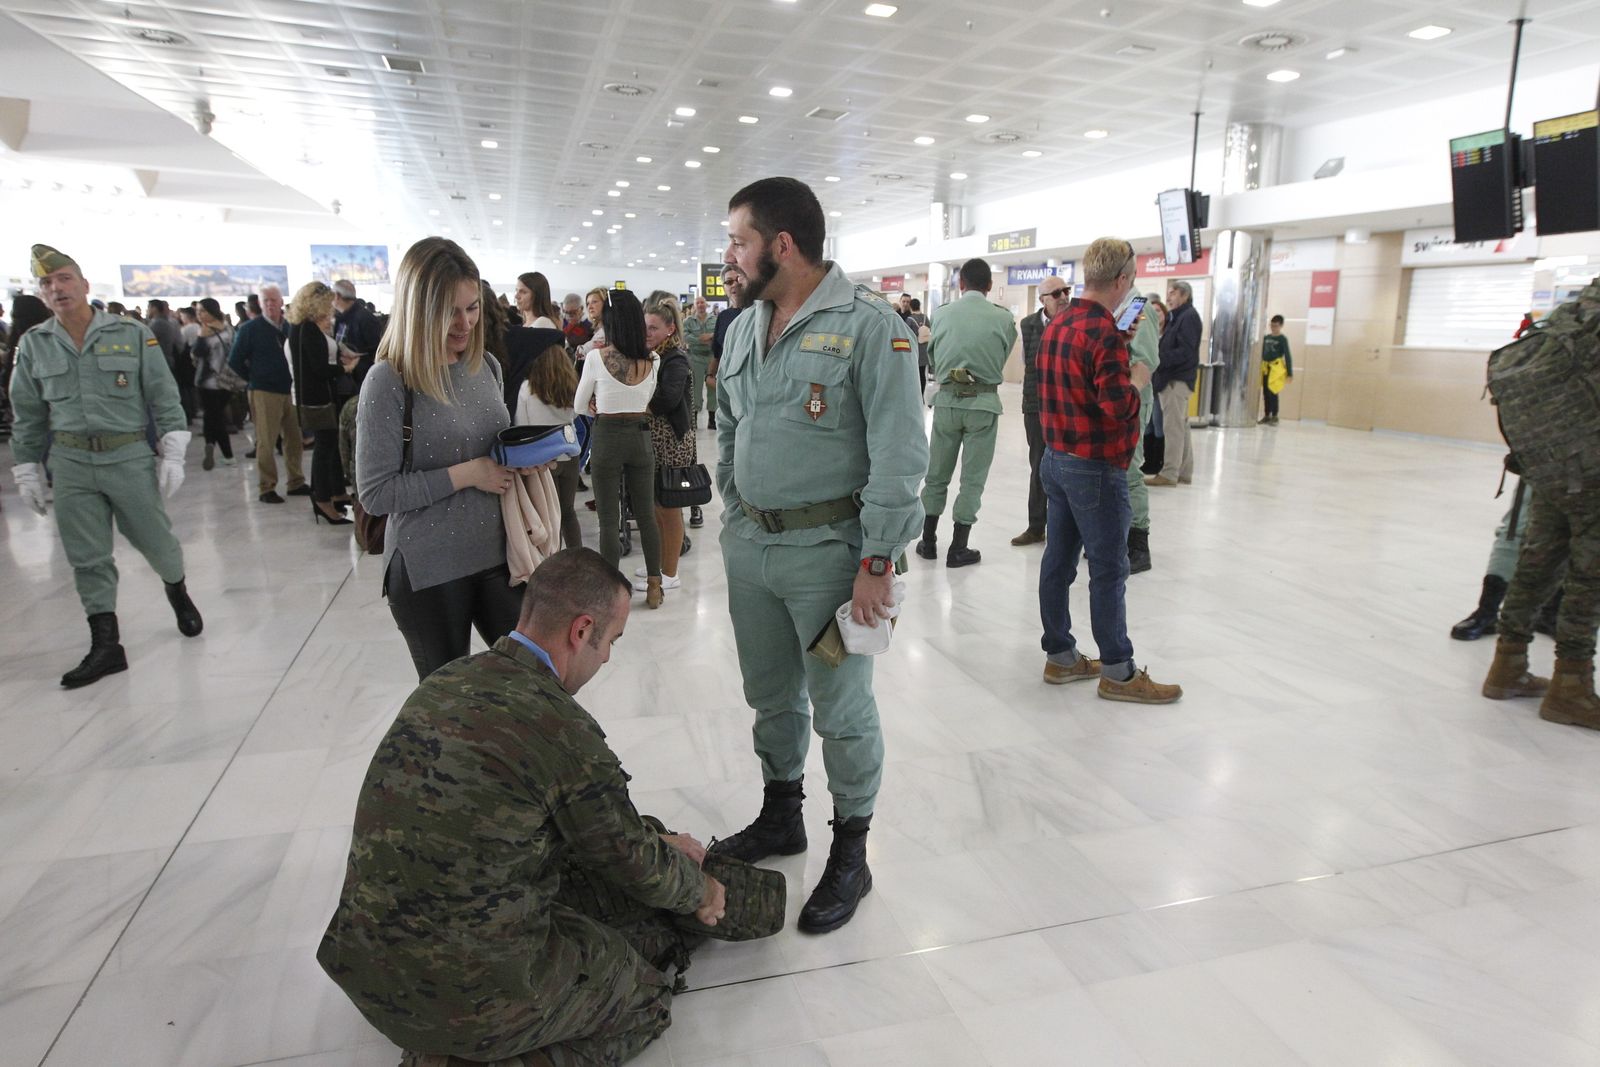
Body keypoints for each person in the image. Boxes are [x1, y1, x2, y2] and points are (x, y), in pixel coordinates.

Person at [318, 548, 726, 1065]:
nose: (607, 660)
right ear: (581, 631)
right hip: (460, 997)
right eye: (611, 642)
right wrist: (701, 891)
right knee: (643, 998)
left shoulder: (445, 683)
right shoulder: (563, 729)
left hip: (366, 973)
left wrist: (649, 838)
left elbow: (528, 818)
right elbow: (631, 863)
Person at [709, 176, 928, 934]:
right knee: (770, 693)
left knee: (842, 709)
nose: (728, 256)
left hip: (831, 556)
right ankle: (781, 813)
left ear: (783, 244)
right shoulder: (743, 327)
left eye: (738, 240)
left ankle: (852, 850)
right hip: (754, 551)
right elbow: (729, 425)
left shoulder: (871, 326)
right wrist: (737, 512)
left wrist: (878, 561)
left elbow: (901, 451)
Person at [9, 244, 202, 688]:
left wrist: (172, 445)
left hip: (128, 456)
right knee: (87, 556)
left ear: (83, 285)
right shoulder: (35, 345)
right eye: (47, 283)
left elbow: (162, 390)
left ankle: (177, 590)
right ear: (41, 294)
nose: (57, 289)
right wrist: (26, 466)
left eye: (64, 279)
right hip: (71, 461)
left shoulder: (130, 333)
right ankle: (106, 645)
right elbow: (29, 413)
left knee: (156, 541)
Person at [355, 236, 523, 681]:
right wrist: (468, 474)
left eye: (471, 308)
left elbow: (488, 444)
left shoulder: (485, 365)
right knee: (451, 708)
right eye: (449, 310)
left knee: (533, 683)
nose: (464, 323)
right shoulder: (388, 380)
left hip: (499, 557)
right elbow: (376, 493)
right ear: (417, 309)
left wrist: (526, 455)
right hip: (428, 567)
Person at [1035, 237, 1181, 704]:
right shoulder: (1103, 335)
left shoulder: (1060, 323)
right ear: (1121, 281)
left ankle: (1060, 656)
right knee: (1109, 569)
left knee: (1057, 561)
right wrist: (1137, 377)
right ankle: (1118, 670)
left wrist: (1118, 344)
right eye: (1132, 279)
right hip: (1095, 468)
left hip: (1055, 460)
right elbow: (1117, 407)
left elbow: (1075, 378)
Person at [1481, 279, 1600, 730]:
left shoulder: (1581, 306)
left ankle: (1506, 666)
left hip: (1552, 464)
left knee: (1538, 561)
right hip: (1594, 468)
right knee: (1589, 578)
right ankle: (1571, 687)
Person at [914, 258, 1017, 568]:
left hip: (946, 403)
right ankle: (959, 547)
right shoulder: (1003, 318)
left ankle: (928, 541)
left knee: (936, 475)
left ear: (961, 284)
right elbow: (1003, 352)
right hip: (983, 405)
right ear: (989, 286)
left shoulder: (942, 315)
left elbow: (931, 356)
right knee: (972, 480)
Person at [573, 289, 664, 606]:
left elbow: (579, 405)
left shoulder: (596, 358)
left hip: (607, 438)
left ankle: (610, 593)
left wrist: (597, 407)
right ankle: (655, 586)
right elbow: (648, 398)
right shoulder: (653, 359)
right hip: (640, 437)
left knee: (609, 521)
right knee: (647, 516)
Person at [638, 293, 695, 596]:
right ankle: (660, 565)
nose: (647, 333)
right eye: (644, 327)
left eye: (653, 328)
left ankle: (670, 573)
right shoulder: (655, 356)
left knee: (669, 509)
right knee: (656, 508)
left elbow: (668, 398)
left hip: (671, 442)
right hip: (657, 442)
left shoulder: (675, 358)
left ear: (670, 329)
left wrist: (638, 404)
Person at [286, 281, 356, 525]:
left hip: (317, 397)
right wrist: (345, 368)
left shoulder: (301, 328)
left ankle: (334, 492)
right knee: (324, 450)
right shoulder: (306, 330)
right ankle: (322, 500)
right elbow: (318, 368)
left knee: (330, 448)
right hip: (317, 399)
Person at [228, 282, 305, 503]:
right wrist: (254, 377)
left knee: (294, 438)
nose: (270, 304)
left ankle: (296, 480)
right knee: (266, 440)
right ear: (259, 304)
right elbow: (234, 360)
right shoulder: (249, 329)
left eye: (274, 300)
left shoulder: (290, 326)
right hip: (264, 391)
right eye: (266, 301)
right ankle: (266, 486)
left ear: (282, 302)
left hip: (290, 389)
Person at [1012, 275, 1070, 547]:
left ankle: (1070, 531)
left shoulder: (1075, 322)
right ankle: (1036, 526)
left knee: (1070, 465)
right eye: (1056, 293)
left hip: (1068, 405)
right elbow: (1027, 361)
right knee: (1039, 464)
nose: (1063, 297)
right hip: (1036, 405)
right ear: (1043, 299)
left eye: (1066, 291)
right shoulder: (1028, 325)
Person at [516, 343, 583, 550]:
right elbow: (576, 414)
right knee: (568, 511)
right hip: (569, 454)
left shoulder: (527, 388)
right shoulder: (571, 388)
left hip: (541, 458)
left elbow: (521, 425)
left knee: (547, 516)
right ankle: (577, 558)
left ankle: (553, 562)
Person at [1148, 279, 1201, 487]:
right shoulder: (1178, 317)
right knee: (1182, 426)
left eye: (1173, 293)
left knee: (1173, 428)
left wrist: (1159, 358)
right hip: (1172, 379)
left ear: (1184, 295)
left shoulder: (1188, 317)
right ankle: (1184, 471)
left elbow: (1186, 351)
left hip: (1175, 380)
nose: (1168, 297)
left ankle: (1169, 473)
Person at [192, 298, 237, 470]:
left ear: (210, 311)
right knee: (213, 416)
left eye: (201, 311)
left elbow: (198, 353)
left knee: (214, 418)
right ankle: (210, 444)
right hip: (227, 381)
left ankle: (228, 454)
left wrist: (201, 337)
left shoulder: (205, 331)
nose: (199, 314)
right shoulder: (229, 329)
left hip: (207, 382)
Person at [681, 293, 716, 428]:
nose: (700, 305)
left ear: (706, 305)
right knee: (695, 388)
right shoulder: (688, 321)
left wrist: (710, 336)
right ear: (694, 306)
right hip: (695, 358)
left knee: (712, 387)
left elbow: (719, 334)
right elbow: (685, 337)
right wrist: (700, 340)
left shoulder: (714, 319)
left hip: (711, 358)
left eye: (702, 302)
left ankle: (712, 420)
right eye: (698, 303)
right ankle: (693, 419)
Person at [1259, 313, 1292, 425]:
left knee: (1273, 391)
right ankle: (1267, 414)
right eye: (1272, 326)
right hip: (1266, 367)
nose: (1273, 328)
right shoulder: (1266, 338)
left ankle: (1275, 415)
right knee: (1266, 392)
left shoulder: (1282, 339)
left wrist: (1289, 373)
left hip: (1276, 368)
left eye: (1276, 326)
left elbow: (1287, 355)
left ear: (1281, 326)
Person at [905, 297, 930, 392]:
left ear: (910, 307)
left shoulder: (910, 319)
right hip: (924, 349)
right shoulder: (925, 317)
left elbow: (906, 334)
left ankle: (916, 394)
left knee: (914, 374)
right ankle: (922, 395)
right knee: (922, 374)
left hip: (914, 350)